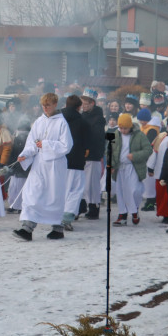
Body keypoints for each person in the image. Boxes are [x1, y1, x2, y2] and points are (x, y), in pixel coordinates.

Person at [13, 93, 72, 241]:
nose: (45, 108)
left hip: (54, 166)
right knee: (32, 193)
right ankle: (27, 228)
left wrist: (45, 144)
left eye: (48, 105)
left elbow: (67, 146)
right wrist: (25, 154)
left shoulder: (62, 123)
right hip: (39, 164)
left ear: (55, 105)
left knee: (53, 196)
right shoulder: (39, 121)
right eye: (43, 105)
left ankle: (58, 229)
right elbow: (32, 142)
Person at [111, 113, 150, 226]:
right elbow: (109, 150)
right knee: (121, 191)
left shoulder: (139, 135)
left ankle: (134, 210)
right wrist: (112, 165)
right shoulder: (115, 135)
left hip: (133, 167)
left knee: (134, 190)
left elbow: (148, 149)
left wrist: (135, 156)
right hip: (120, 168)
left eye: (125, 128)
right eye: (121, 128)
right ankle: (122, 215)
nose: (123, 130)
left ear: (130, 126)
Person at [60, 95, 88, 231]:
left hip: (60, 160)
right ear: (79, 107)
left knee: (61, 189)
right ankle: (67, 218)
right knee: (75, 191)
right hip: (77, 161)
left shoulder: (58, 118)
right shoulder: (83, 121)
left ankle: (56, 217)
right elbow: (87, 142)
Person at [80, 90, 106, 220]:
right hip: (84, 155)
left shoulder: (98, 118)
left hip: (94, 154)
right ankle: (85, 205)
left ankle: (94, 207)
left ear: (92, 103)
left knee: (93, 183)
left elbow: (97, 137)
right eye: (82, 103)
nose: (84, 106)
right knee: (84, 183)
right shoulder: (83, 116)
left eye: (86, 103)